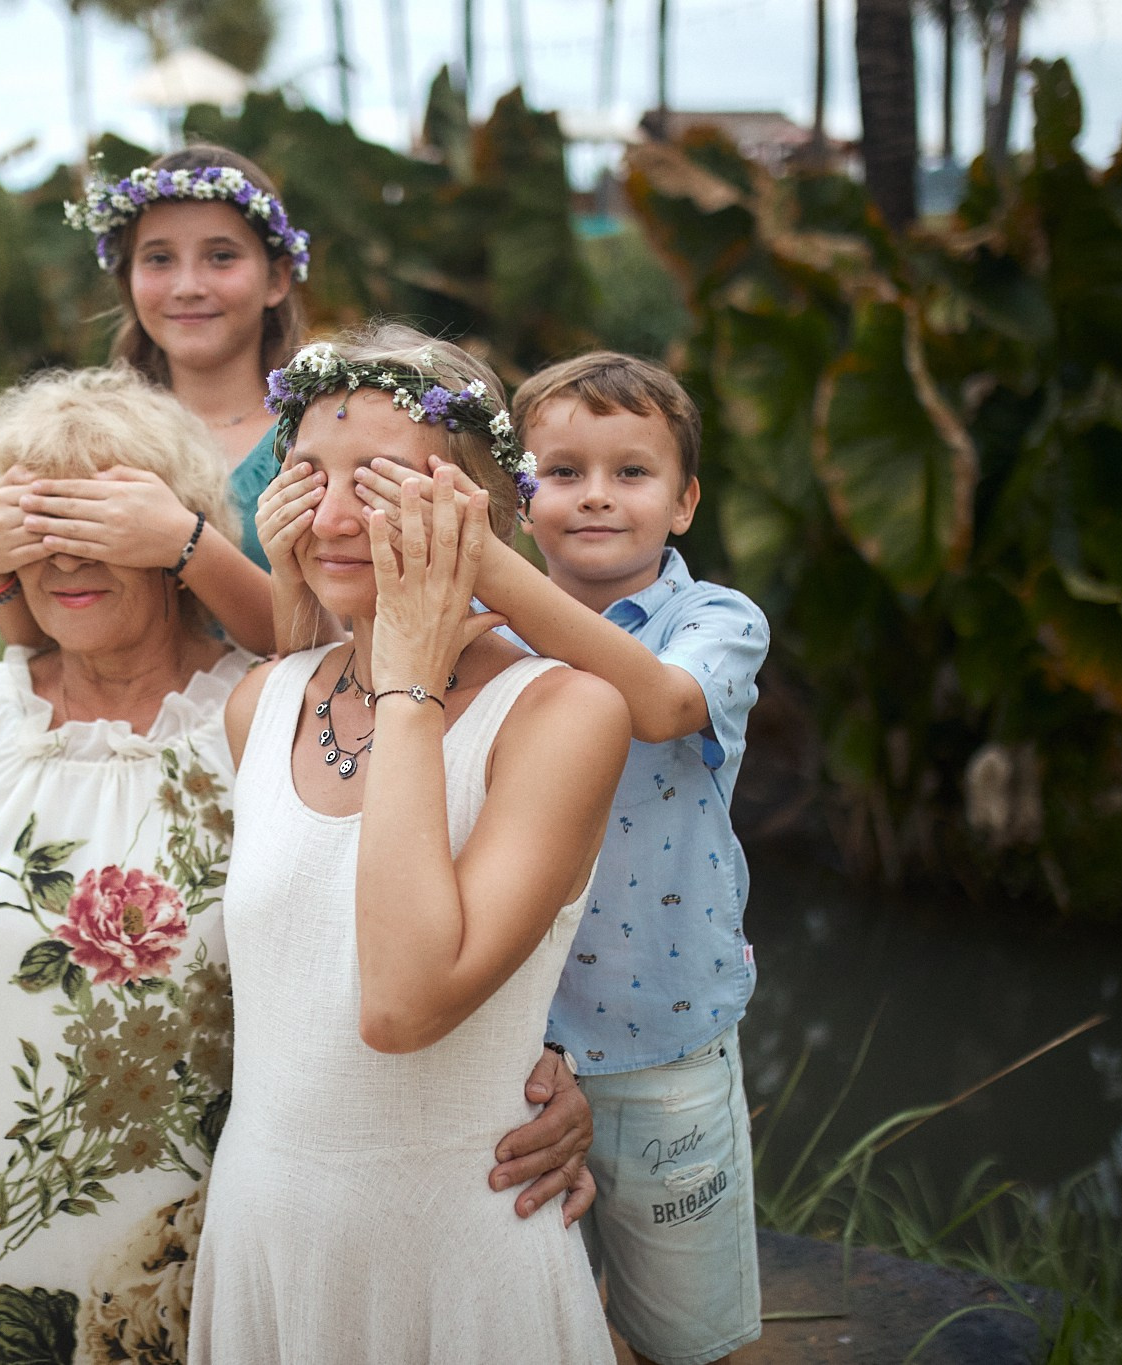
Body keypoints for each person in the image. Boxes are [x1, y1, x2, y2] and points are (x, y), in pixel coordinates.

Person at [0, 365, 595, 1365]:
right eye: (34, 525)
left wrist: (538, 1055)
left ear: (176, 539)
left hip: (203, 1237)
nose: (66, 553)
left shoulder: (251, 711)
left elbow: (373, 903)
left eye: (99, 521)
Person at [191, 326, 632, 1364]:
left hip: (454, 1263)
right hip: (264, 1241)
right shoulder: (264, 701)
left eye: (382, 485)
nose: (336, 518)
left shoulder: (561, 715)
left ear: (478, 512)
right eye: (308, 477)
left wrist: (408, 685)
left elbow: (398, 1002)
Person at [348, 352, 771, 1365]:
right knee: (542, 1320)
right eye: (561, 471)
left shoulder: (712, 621)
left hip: (667, 1041)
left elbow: (661, 705)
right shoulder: (477, 639)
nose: (593, 496)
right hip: (517, 1052)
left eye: (630, 473)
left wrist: (485, 564)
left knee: (692, 1332)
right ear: (517, 496)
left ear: (683, 502)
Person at [0, 146, 309, 656]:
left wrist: (187, 545)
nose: (188, 287)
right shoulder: (86, 433)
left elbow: (341, 647)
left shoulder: (322, 435)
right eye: (159, 259)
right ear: (127, 279)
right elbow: (51, 650)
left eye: (221, 257)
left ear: (277, 278)